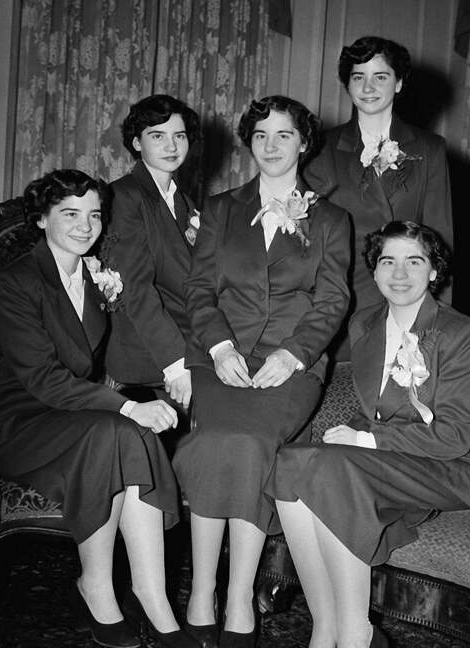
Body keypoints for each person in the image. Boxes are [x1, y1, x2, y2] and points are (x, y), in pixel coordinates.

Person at [0, 170, 200, 648]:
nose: (85, 226)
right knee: (119, 428)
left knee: (129, 433)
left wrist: (180, 373)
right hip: (18, 420)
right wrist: (128, 407)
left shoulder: (97, 275)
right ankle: (97, 589)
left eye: (94, 215)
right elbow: (44, 380)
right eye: (70, 214)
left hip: (74, 415)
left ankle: (153, 598)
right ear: (41, 219)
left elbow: (124, 343)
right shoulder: (13, 282)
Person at [173, 96, 351, 648]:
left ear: (305, 142)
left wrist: (293, 355)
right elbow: (199, 291)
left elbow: (333, 301)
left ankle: (237, 597)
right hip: (220, 359)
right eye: (260, 136)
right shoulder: (221, 209)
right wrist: (221, 349)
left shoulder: (331, 219)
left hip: (291, 366)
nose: (271, 146)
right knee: (216, 440)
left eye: (283, 135)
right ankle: (202, 590)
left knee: (250, 443)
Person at [267, 221, 470, 648]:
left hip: (453, 466)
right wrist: (351, 433)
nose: (400, 273)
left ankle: (357, 633)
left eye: (415, 261)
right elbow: (375, 409)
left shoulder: (461, 333)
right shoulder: (364, 325)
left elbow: (455, 436)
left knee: (333, 468)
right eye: (388, 261)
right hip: (393, 458)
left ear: (434, 271)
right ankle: (325, 626)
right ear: (374, 272)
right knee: (291, 460)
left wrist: (366, 441)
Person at [305, 36, 453, 358]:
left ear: (398, 83)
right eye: (358, 77)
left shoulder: (429, 149)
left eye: (380, 77)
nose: (368, 87)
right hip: (344, 299)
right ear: (347, 84)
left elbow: (440, 240)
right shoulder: (322, 148)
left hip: (408, 294)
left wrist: (438, 321)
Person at [104, 94, 201, 412]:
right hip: (149, 350)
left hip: (190, 338)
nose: (171, 146)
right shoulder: (124, 197)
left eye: (179, 136)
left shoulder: (183, 201)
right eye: (157, 136)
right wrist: (176, 364)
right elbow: (136, 289)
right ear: (136, 143)